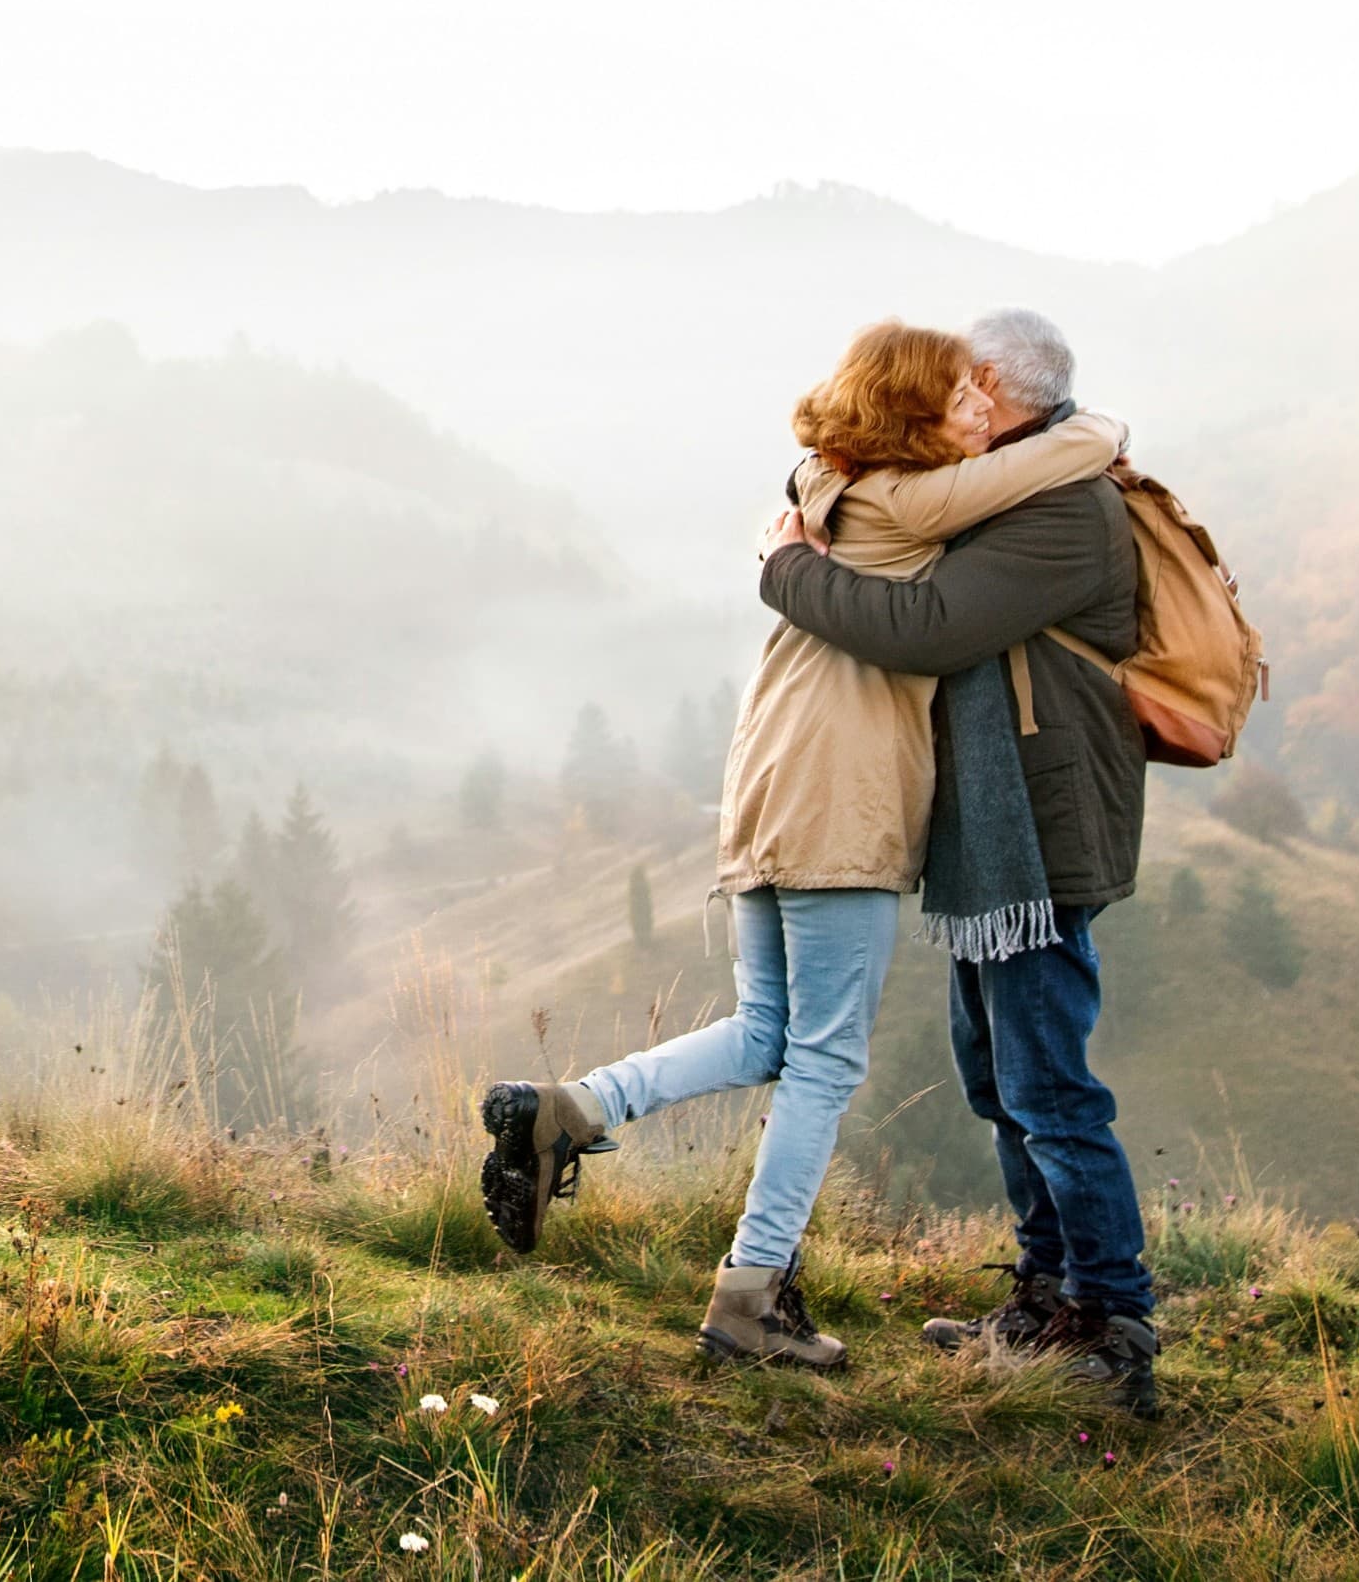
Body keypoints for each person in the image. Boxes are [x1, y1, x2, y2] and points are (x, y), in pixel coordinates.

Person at [478, 319, 1128, 1370]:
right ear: (914, 417)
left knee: (766, 1030)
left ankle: (571, 1109)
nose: (978, 419)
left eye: (982, 395)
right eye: (959, 399)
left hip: (767, 778)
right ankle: (750, 1294)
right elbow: (1049, 467)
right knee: (824, 1062)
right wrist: (1101, 427)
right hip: (841, 793)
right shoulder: (910, 496)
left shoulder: (831, 482)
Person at [757, 307, 1161, 1414]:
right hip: (995, 830)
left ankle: (1112, 1324)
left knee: (1047, 1084)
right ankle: (1043, 1298)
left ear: (988, 379)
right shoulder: (1009, 482)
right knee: (998, 1075)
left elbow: (927, 628)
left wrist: (786, 573)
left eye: (965, 380)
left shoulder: (1063, 506)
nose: (956, 398)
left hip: (1039, 829)